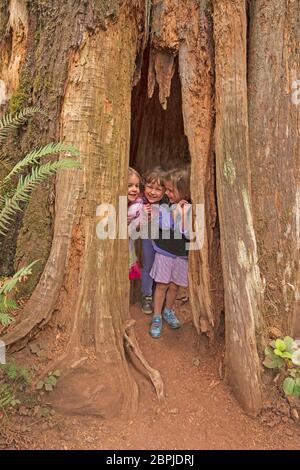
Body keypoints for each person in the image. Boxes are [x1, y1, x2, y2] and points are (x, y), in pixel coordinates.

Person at [149, 165, 191, 338]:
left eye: (171, 190)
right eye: (166, 189)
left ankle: (168, 310)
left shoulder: (190, 207)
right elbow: (163, 225)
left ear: (184, 190)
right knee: (162, 285)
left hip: (182, 254)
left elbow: (188, 234)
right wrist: (175, 213)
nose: (167, 193)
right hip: (164, 251)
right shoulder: (165, 204)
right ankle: (157, 316)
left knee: (174, 286)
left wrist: (183, 213)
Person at [140, 168, 166, 314]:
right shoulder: (141, 202)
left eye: (158, 189)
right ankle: (147, 296)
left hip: (163, 241)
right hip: (148, 239)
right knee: (149, 265)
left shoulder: (166, 204)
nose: (153, 192)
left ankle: (159, 296)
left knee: (162, 265)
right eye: (150, 187)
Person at [127, 167, 143, 280]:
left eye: (137, 186)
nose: (134, 189)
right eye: (129, 185)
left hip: (127, 249)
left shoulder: (137, 207)